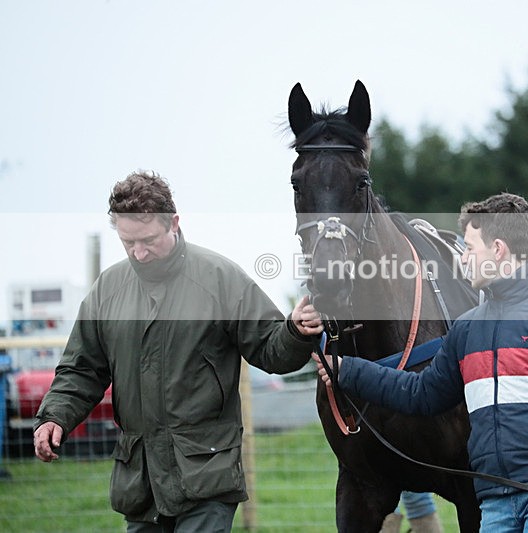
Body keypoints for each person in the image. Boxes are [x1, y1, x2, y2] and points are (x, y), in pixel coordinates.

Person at [315, 192, 528, 532]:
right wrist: (347, 370)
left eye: (470, 248)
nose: (463, 258)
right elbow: (422, 393)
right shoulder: (468, 328)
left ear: (498, 250)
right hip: (496, 501)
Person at [33, 171, 323, 532]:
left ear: (174, 222)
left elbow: (270, 349)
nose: (139, 253)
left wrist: (294, 331)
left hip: (207, 475)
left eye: (148, 240)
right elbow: (81, 369)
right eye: (128, 242)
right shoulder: (107, 290)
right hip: (141, 483)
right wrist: (55, 417)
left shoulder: (219, 278)